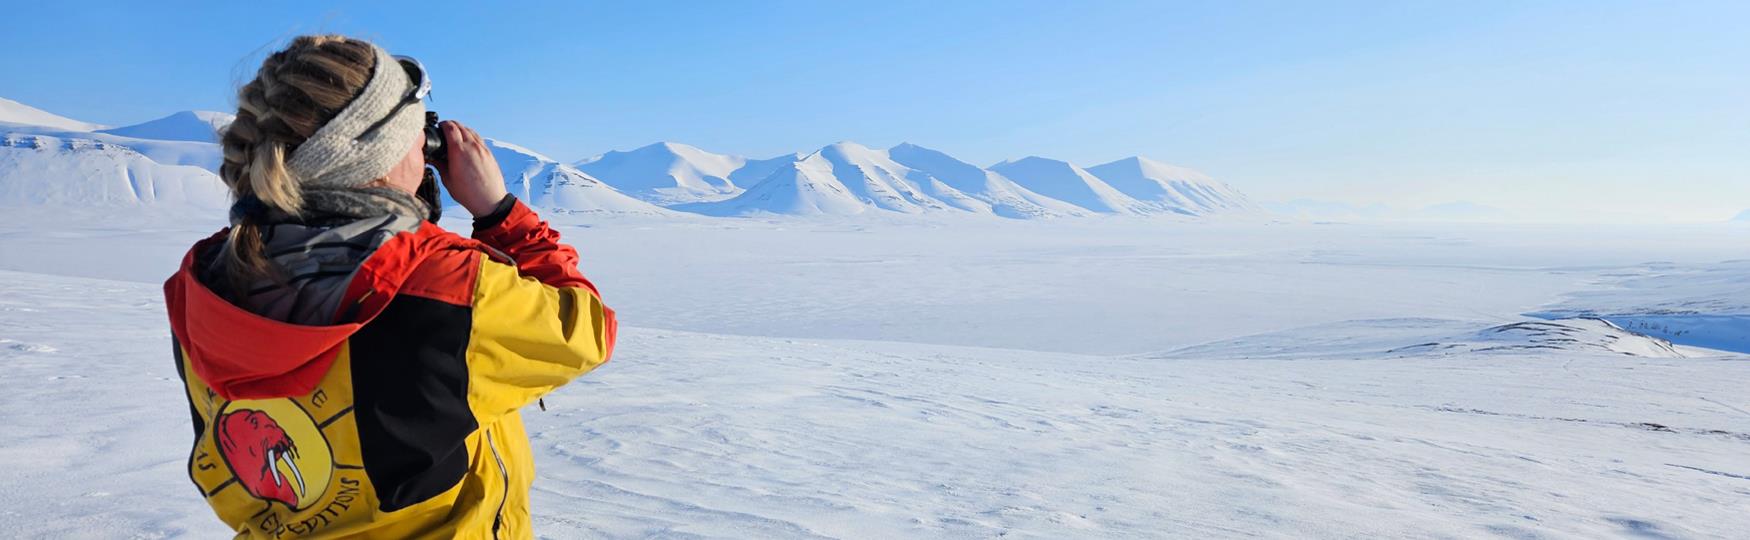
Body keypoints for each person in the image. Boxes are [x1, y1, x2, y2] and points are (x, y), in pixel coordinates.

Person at [162, 35, 616, 539]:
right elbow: (586, 330)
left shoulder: (204, 283)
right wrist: (501, 214)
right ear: (380, 155)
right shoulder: (448, 289)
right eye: (413, 136)